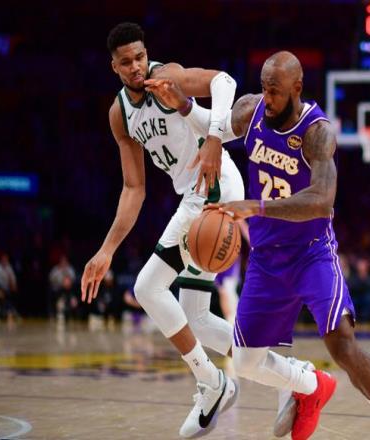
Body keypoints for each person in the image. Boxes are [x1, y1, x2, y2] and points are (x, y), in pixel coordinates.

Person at [150, 50, 370, 439]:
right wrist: (185, 106)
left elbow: (321, 200)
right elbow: (213, 126)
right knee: (245, 363)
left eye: (275, 91)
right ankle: (310, 386)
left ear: (297, 87)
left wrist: (256, 207)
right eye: (264, 88)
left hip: (311, 253)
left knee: (341, 343)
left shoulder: (317, 132)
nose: (268, 98)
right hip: (266, 259)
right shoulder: (252, 110)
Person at [80, 22, 244, 438]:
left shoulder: (168, 76)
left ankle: (212, 383)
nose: (136, 66)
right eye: (126, 62)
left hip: (213, 185)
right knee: (197, 319)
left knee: (148, 287)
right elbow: (134, 189)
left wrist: (213, 137)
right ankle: (291, 376)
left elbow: (225, 81)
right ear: (114, 67)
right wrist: (106, 250)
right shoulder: (120, 114)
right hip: (194, 194)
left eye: (139, 57)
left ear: (146, 53)